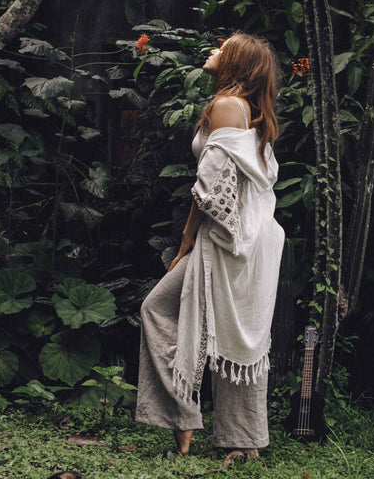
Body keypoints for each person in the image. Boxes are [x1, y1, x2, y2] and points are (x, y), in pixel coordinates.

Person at [135, 31, 285, 462]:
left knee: (157, 308)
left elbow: (211, 186)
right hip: (252, 238)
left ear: (237, 62)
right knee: (237, 333)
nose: (212, 50)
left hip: (226, 239)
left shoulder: (226, 106)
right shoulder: (249, 110)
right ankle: (241, 441)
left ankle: (186, 421)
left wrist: (186, 238)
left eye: (223, 47)